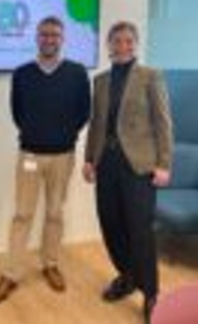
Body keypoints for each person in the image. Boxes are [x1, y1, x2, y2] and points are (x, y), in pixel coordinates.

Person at [0, 16, 91, 303]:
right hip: (30, 155)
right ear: (36, 38)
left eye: (54, 35)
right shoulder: (22, 74)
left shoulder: (77, 73)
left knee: (55, 213)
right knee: (22, 214)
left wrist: (63, 134)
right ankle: (11, 274)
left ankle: (50, 264)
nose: (49, 39)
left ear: (62, 39)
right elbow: (17, 112)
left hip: (63, 155)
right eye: (44, 34)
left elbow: (83, 112)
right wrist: (36, 133)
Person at [83, 21, 173, 323]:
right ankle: (128, 275)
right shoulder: (100, 81)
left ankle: (151, 293)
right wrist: (89, 158)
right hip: (107, 164)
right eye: (117, 40)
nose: (123, 45)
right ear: (109, 44)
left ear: (135, 43)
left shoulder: (150, 76)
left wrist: (164, 164)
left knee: (140, 230)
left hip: (139, 166)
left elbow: (163, 123)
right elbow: (96, 124)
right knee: (111, 224)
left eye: (128, 40)